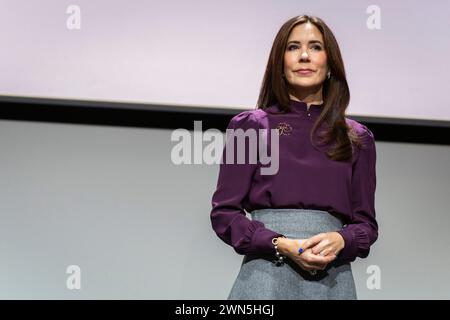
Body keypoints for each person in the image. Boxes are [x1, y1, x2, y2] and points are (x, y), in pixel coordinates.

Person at [209, 14, 378, 300]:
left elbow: (366, 225)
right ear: (280, 63)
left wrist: (341, 239)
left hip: (332, 279)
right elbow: (225, 214)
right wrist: (280, 243)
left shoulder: (358, 138)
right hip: (266, 276)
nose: (303, 56)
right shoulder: (248, 126)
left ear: (330, 64)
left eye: (315, 47)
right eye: (292, 47)